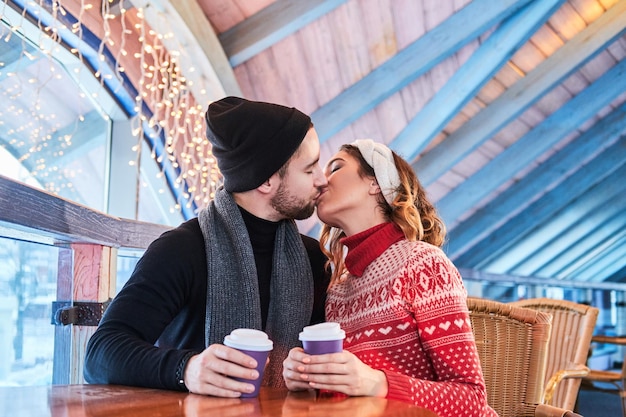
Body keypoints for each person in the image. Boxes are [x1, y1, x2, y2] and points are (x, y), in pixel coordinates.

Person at [84, 96, 330, 398]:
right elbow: (101, 352)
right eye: (310, 169)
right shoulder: (182, 249)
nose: (323, 180)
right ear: (266, 180)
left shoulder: (313, 259)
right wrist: (187, 369)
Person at [282, 139, 497, 417]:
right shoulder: (338, 288)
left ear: (375, 182)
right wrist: (307, 380)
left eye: (335, 167)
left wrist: (378, 382)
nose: (321, 180)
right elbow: (352, 396)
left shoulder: (423, 265)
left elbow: (472, 400)